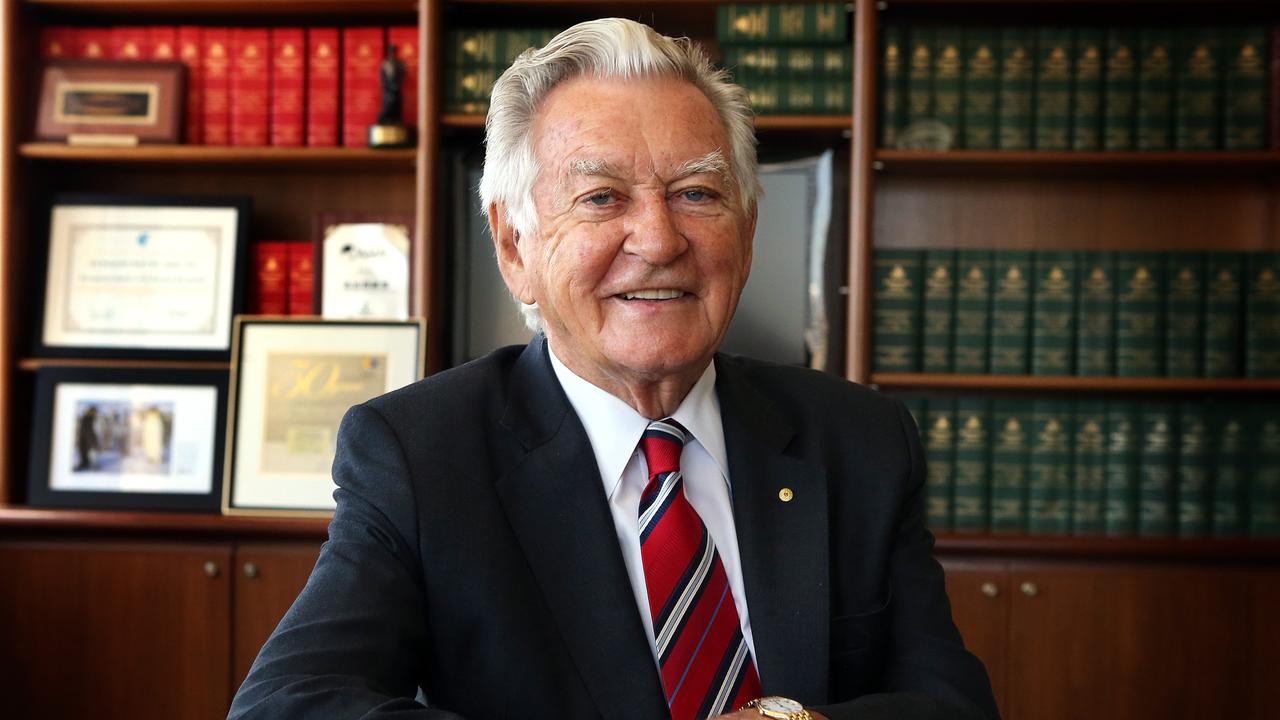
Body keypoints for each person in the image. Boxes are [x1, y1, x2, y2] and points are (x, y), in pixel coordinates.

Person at [230, 18, 997, 720]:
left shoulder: (860, 440)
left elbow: (951, 706)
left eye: (696, 193)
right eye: (601, 198)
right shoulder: (420, 453)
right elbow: (287, 704)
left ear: (748, 230)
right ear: (514, 248)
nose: (659, 239)